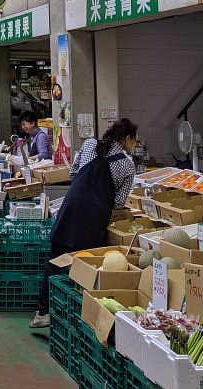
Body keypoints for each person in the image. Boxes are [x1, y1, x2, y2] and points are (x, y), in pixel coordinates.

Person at [32, 117, 138, 329]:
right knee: (88, 264)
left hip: (72, 208)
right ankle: (83, 314)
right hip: (94, 217)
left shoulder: (90, 144)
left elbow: (73, 173)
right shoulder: (127, 165)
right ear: (127, 139)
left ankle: (43, 312)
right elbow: (118, 202)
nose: (134, 146)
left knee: (56, 260)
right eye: (134, 141)